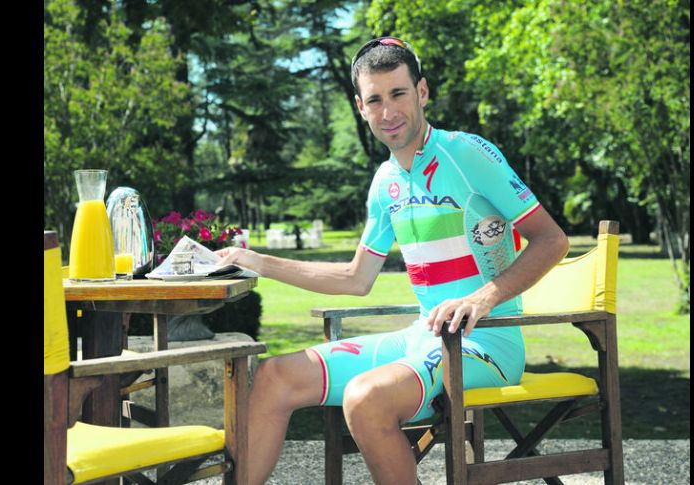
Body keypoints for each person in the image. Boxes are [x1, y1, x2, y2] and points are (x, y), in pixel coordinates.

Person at [216, 36, 569, 485]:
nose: (389, 112)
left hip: (487, 344)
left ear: (421, 92)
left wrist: (481, 299)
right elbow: (355, 277)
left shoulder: (466, 154)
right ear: (360, 107)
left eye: (399, 94)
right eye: (375, 100)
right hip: (424, 338)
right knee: (273, 376)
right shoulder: (385, 182)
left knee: (366, 398)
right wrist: (257, 261)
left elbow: (552, 240)